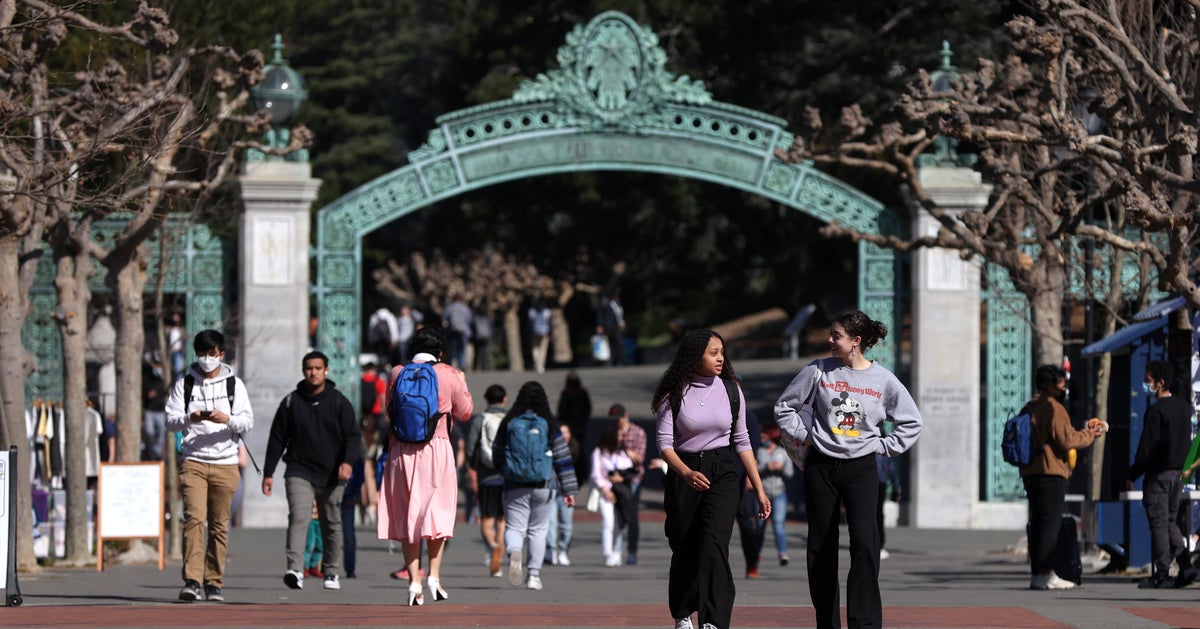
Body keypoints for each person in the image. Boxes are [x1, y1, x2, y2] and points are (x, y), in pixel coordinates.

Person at [773, 310, 923, 628]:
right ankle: (827, 622)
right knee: (821, 546)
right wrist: (805, 436)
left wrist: (883, 446)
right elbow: (784, 407)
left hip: (861, 468)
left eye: (836, 336)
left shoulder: (883, 379)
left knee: (865, 544)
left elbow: (912, 421)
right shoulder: (818, 370)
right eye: (830, 334)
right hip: (821, 466)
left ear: (855, 341)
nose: (829, 340)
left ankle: (864, 622)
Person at [653, 329, 770, 629]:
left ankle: (713, 621)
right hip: (685, 470)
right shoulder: (673, 395)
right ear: (695, 357)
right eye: (713, 353)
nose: (721, 358)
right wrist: (686, 472)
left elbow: (742, 441)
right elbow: (665, 444)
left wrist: (759, 488)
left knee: (714, 544)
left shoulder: (731, 390)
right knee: (685, 545)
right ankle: (682, 612)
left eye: (722, 352)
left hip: (723, 470)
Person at [377, 327, 474, 606]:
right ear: (441, 352)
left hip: (401, 452)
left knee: (410, 516)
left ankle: (413, 582)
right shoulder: (449, 374)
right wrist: (463, 383)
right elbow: (465, 412)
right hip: (437, 448)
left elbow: (388, 410)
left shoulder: (396, 373)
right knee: (438, 514)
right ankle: (434, 575)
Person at [165, 329, 254, 603]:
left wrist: (225, 419)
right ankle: (192, 580)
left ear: (222, 354)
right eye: (202, 354)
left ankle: (213, 581)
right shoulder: (185, 384)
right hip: (193, 461)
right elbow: (170, 421)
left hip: (226, 463)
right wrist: (189, 418)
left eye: (212, 354)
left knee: (218, 524)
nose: (207, 359)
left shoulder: (234, 385)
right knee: (193, 520)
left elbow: (247, 422)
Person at [262, 350, 361, 592]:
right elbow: (277, 438)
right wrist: (268, 472)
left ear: (326, 370)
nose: (313, 372)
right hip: (299, 470)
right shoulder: (291, 402)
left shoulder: (339, 402)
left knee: (331, 522)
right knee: (299, 517)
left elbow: (353, 436)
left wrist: (347, 463)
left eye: (318, 368)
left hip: (332, 474)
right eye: (309, 368)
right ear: (303, 370)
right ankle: (295, 569)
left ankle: (331, 570)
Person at [1013, 364, 1102, 591]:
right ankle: (1046, 574)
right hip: (1050, 472)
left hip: (1030, 472)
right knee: (1050, 524)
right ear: (1052, 387)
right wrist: (1090, 434)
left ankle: (1037, 573)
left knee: (1038, 523)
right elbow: (1067, 440)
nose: (1065, 389)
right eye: (1062, 385)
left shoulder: (1028, 407)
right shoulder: (1054, 408)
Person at [493, 381, 579, 591]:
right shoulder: (549, 423)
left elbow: (496, 452)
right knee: (538, 531)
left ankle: (514, 550)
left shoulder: (509, 421)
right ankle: (533, 575)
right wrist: (569, 490)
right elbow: (562, 457)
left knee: (514, 527)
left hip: (514, 484)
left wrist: (506, 471)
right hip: (544, 484)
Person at [1128, 359, 1197, 589]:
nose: (1145, 384)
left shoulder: (1156, 411)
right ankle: (1186, 565)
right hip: (1179, 474)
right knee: (1170, 521)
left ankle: (1162, 573)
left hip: (1158, 475)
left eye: (1148, 381)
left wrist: (1132, 474)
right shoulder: (1184, 407)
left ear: (1160, 383)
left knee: (1158, 523)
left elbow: (1146, 448)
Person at [465, 384, 508, 577]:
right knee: (502, 521)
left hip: (486, 477)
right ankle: (499, 550)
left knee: (487, 520)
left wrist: (472, 470)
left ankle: (492, 547)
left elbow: (470, 448)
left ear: (486, 399)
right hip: (507, 476)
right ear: (505, 399)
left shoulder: (479, 419)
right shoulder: (510, 420)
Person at [592, 423, 635, 567]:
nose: (622, 438)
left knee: (619, 523)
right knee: (608, 521)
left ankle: (616, 551)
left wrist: (620, 477)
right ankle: (608, 553)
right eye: (619, 436)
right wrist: (606, 489)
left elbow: (629, 466)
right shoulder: (599, 452)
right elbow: (596, 474)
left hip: (620, 491)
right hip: (605, 492)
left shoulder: (621, 452)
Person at [610, 403, 647, 565]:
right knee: (615, 516)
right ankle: (615, 551)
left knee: (632, 516)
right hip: (614, 478)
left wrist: (623, 446)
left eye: (618, 419)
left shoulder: (638, 432)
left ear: (626, 416)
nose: (616, 422)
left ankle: (632, 551)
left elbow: (639, 459)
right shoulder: (611, 433)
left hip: (633, 480)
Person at [756, 424, 793, 569]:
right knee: (759, 526)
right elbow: (755, 470)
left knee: (778, 525)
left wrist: (781, 468)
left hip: (779, 494)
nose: (762, 437)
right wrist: (766, 467)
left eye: (765, 434)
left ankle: (782, 553)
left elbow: (789, 474)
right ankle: (756, 554)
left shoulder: (783, 453)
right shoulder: (760, 452)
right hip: (762, 494)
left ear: (772, 436)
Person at [545, 422, 579, 566]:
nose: (564, 436)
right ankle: (551, 549)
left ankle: (564, 550)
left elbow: (580, 471)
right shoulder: (549, 448)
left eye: (566, 432)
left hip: (567, 491)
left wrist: (572, 489)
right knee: (551, 523)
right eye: (561, 432)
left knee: (566, 525)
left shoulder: (575, 450)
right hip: (552, 491)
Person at [556, 372, 593, 477]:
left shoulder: (578, 393)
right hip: (573, 427)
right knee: (574, 450)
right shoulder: (569, 393)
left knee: (576, 450)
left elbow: (561, 411)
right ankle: (576, 470)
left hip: (576, 427)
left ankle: (578, 471)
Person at [875, 450, 901, 560]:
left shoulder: (881, 451)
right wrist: (896, 489)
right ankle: (879, 544)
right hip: (880, 481)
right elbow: (892, 470)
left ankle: (879, 544)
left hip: (879, 482)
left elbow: (891, 469)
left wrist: (896, 489)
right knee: (877, 514)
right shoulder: (882, 451)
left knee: (877, 514)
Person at [441, 295, 473, 370]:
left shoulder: (449, 308)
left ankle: (453, 364)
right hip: (463, 331)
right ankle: (462, 364)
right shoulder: (465, 308)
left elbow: (443, 320)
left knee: (453, 348)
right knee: (462, 349)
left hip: (452, 331)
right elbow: (470, 320)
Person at [596, 290, 626, 366]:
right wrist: (599, 325)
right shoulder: (605, 303)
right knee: (610, 344)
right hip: (607, 326)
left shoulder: (617, 303)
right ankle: (611, 361)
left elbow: (619, 315)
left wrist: (622, 323)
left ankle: (622, 360)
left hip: (616, 327)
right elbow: (600, 314)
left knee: (619, 343)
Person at [528, 298, 552, 374]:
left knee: (535, 348)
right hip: (544, 332)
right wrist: (551, 333)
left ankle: (536, 363)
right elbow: (550, 324)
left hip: (534, 332)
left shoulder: (531, 311)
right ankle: (541, 365)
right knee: (543, 349)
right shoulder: (547, 311)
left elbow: (529, 324)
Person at [472, 305, 495, 371]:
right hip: (486, 337)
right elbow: (491, 328)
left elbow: (473, 327)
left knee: (477, 353)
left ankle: (475, 367)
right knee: (485, 353)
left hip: (478, 338)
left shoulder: (475, 318)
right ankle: (485, 366)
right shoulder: (487, 318)